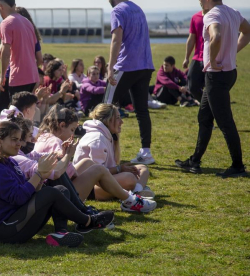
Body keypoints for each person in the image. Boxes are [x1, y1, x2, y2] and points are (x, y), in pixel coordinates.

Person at [0, 121, 115, 247]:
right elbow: (18, 198)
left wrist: (41, 178)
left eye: (20, 139)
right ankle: (88, 222)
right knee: (51, 193)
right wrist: (39, 174)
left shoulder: (7, 161)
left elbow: (26, 191)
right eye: (14, 140)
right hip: (5, 230)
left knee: (60, 190)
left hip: (16, 221)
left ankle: (61, 233)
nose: (20, 143)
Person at [14, 114, 157, 211]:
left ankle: (131, 196)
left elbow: (41, 156)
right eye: (28, 137)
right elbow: (55, 172)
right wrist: (67, 155)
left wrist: (63, 154)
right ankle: (130, 200)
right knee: (107, 173)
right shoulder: (21, 156)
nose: (33, 140)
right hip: (55, 195)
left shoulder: (24, 151)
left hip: (57, 188)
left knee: (88, 162)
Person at [175, 0, 250, 178]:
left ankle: (238, 166)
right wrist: (233, 52)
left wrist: (214, 60)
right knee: (204, 117)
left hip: (216, 76)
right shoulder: (233, 12)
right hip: (229, 73)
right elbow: (247, 31)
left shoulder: (212, 15)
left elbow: (216, 36)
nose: (199, 1)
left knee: (225, 122)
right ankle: (195, 161)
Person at [105, 0, 155, 165]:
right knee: (142, 110)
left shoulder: (117, 11)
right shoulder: (138, 9)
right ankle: (146, 152)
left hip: (126, 66)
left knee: (105, 107)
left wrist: (110, 67)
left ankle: (104, 152)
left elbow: (116, 40)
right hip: (145, 65)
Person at [73, 103, 155, 199]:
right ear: (108, 120)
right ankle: (135, 192)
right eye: (118, 118)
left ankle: (137, 192)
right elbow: (98, 174)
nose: (121, 122)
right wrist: (119, 169)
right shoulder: (97, 139)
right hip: (90, 187)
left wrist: (121, 169)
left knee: (142, 169)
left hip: (103, 180)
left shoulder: (106, 135)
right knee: (129, 178)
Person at [0, 6, 43, 115]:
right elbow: (40, 59)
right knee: (23, 109)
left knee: (3, 108)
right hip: (30, 76)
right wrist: (32, 69)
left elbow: (3, 51)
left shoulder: (10, 28)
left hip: (13, 74)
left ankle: (7, 130)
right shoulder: (31, 31)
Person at [183, 8, 209, 103]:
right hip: (197, 58)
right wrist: (186, 57)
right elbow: (191, 38)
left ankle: (210, 106)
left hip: (212, 58)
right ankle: (206, 105)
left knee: (212, 88)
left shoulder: (217, 16)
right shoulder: (195, 17)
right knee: (192, 86)